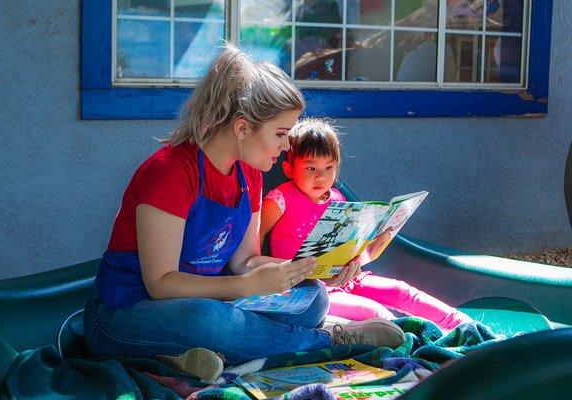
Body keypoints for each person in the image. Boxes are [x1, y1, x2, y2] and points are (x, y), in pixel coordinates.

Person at [83, 45, 405, 367]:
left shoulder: (249, 172)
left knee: (312, 298)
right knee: (208, 319)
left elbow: (245, 261)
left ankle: (182, 355)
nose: (286, 146)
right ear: (241, 128)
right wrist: (242, 287)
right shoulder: (169, 172)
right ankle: (333, 340)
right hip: (124, 312)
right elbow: (161, 283)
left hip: (213, 296)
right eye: (280, 134)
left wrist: (310, 270)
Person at [260, 118, 472, 330]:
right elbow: (254, 241)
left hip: (346, 278)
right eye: (311, 168)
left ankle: (464, 325)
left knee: (401, 290)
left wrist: (368, 250)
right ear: (289, 170)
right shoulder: (280, 199)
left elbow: (348, 246)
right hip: (308, 291)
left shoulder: (338, 199)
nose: (321, 177)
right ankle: (410, 338)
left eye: (329, 167)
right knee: (373, 312)